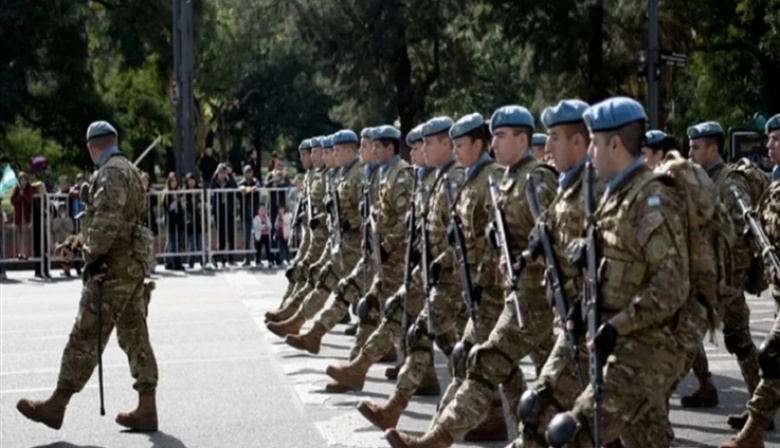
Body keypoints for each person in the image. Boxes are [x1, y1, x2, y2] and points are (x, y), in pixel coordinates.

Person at [16, 120, 159, 432]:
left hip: (111, 268)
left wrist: (87, 254)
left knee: (85, 334)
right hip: (132, 266)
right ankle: (147, 406)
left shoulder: (110, 173)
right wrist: (75, 243)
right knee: (135, 334)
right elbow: (116, 222)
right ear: (114, 141)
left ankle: (57, 404)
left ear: (92, 147)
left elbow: (106, 224)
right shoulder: (131, 172)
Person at [683, 121, 761, 414]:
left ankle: (758, 409)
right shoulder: (703, 180)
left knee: (688, 337)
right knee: (739, 340)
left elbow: (741, 238)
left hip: (723, 281)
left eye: (696, 147)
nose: (690, 152)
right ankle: (756, 407)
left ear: (712, 148)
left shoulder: (728, 183)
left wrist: (728, 284)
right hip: (711, 277)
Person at [718, 113, 780, 448]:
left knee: (772, 355)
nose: (768, 145)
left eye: (776, 139)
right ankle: (755, 427)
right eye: (769, 138)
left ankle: (753, 431)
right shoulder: (774, 189)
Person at [210, 163, 238, 266]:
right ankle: (218, 256)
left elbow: (235, 187)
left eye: (224, 172)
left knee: (230, 234)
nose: (222, 175)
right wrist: (215, 173)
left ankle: (229, 258)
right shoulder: (215, 182)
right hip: (219, 211)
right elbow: (211, 187)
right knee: (222, 236)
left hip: (229, 210)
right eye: (220, 172)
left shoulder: (229, 181)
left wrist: (230, 176)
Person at [239, 165, 262, 266]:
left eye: (250, 171)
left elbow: (258, 187)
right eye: (246, 172)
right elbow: (239, 189)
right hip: (245, 214)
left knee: (257, 236)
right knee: (246, 237)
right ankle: (246, 259)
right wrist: (245, 189)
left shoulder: (256, 181)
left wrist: (250, 189)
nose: (248, 173)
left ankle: (257, 259)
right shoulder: (241, 183)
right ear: (244, 173)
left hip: (255, 214)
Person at [163, 172, 185, 271]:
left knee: (176, 241)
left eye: (175, 181)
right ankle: (170, 262)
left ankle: (174, 262)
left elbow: (182, 207)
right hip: (170, 220)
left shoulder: (179, 192)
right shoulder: (166, 193)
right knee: (171, 241)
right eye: (172, 181)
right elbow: (166, 208)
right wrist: (174, 200)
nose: (174, 183)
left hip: (178, 220)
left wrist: (180, 199)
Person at [10, 171, 34, 259]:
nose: (23, 182)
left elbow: (29, 200)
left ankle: (26, 252)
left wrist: (23, 195)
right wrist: (19, 196)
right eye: (21, 180)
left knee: (25, 233)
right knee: (19, 233)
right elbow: (12, 200)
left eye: (24, 179)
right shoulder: (16, 188)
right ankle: (20, 252)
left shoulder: (29, 188)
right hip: (18, 214)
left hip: (26, 214)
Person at [184, 173, 204, 269]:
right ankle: (190, 261)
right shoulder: (185, 192)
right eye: (189, 180)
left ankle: (202, 261)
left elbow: (202, 204)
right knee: (192, 243)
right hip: (190, 220)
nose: (191, 182)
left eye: (193, 180)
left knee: (200, 242)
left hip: (199, 220)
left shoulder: (199, 191)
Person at [52, 203, 75, 277]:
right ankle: (65, 269)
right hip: (59, 242)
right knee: (62, 252)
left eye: (63, 209)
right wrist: (59, 223)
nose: (62, 211)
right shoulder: (56, 220)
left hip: (67, 241)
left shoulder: (69, 219)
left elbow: (71, 228)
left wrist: (64, 224)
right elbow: (54, 229)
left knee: (67, 253)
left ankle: (67, 270)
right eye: (61, 209)